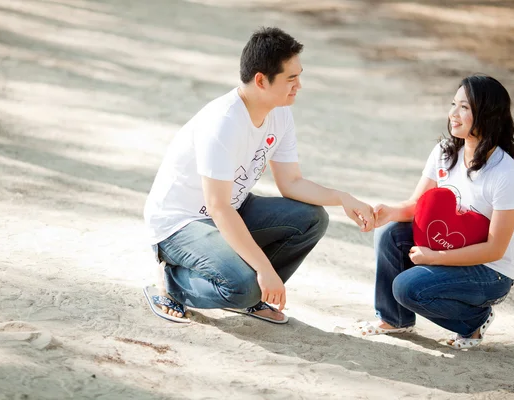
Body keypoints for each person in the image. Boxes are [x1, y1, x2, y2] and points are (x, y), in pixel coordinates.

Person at [143, 27, 374, 324]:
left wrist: (343, 198)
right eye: (291, 78)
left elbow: (290, 182)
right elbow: (218, 207)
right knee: (244, 287)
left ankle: (250, 290)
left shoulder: (280, 112)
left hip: (229, 211)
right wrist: (264, 269)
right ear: (261, 80)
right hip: (180, 223)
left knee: (312, 219)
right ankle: (174, 283)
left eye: (299, 76)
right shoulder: (224, 122)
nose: (299, 86)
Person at [362, 75, 514, 349]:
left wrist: (436, 258)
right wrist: (388, 212)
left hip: (490, 270)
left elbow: (495, 249)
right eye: (453, 104)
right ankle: (395, 319)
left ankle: (474, 320)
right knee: (391, 233)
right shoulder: (444, 152)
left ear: (486, 115)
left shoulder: (505, 173)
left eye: (464, 107)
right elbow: (418, 206)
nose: (453, 114)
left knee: (407, 287)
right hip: (453, 244)